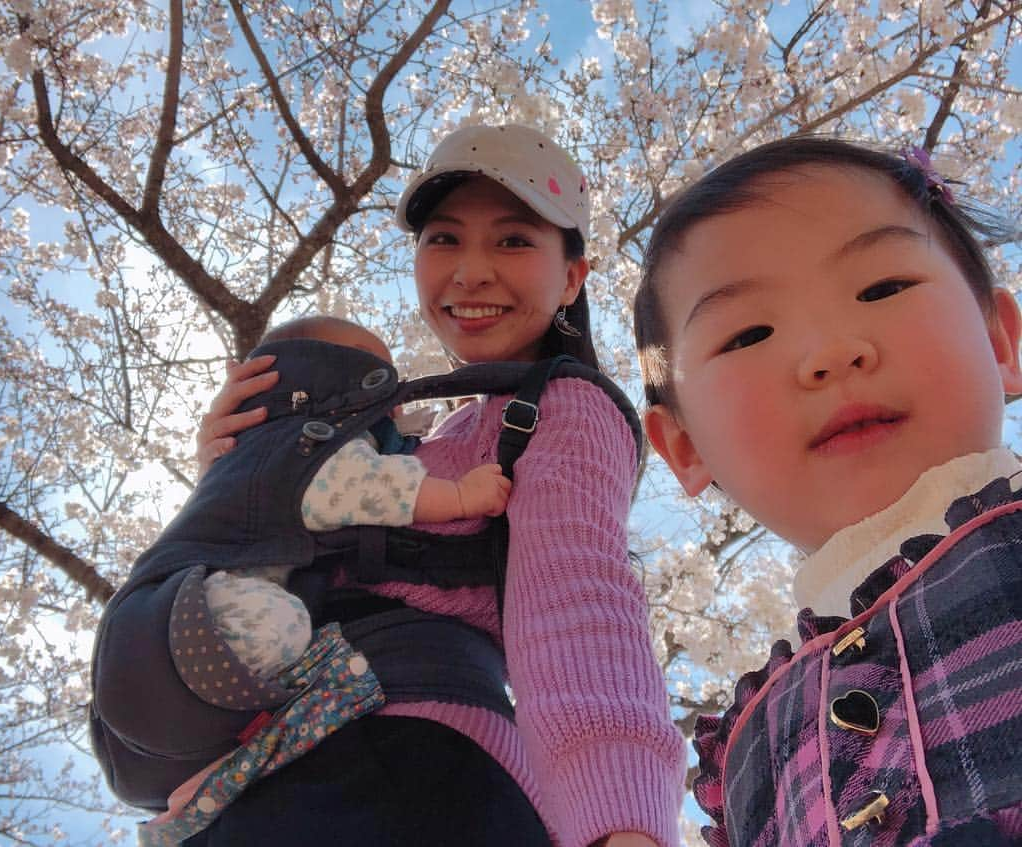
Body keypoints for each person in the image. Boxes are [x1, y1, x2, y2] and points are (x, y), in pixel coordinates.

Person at [101, 124, 685, 847]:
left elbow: (575, 593)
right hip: (280, 767)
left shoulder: (563, 406)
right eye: (443, 239)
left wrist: (619, 825)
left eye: (512, 240)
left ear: (571, 277)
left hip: (404, 773)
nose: (470, 272)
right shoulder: (421, 442)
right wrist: (237, 473)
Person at [633, 137, 1022, 846]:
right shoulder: (746, 743)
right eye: (749, 334)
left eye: (883, 288)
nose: (830, 352)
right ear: (683, 447)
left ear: (1001, 341)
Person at [138, 314, 512, 841]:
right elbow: (351, 485)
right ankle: (241, 767)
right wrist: (458, 496)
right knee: (313, 661)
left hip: (177, 644)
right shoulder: (312, 445)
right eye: (373, 375)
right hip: (371, 717)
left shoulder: (271, 452)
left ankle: (220, 783)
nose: (393, 398)